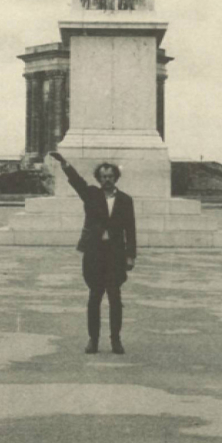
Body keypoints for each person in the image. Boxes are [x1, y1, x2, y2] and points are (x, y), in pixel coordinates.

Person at [50, 152, 136, 355]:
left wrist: (130, 255)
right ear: (99, 179)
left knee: (115, 299)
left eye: (110, 176)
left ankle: (116, 340)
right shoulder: (91, 194)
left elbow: (130, 229)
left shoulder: (125, 200)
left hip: (115, 255)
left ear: (116, 178)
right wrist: (65, 163)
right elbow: (77, 182)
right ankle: (93, 340)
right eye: (103, 177)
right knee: (94, 297)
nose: (107, 180)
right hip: (94, 254)